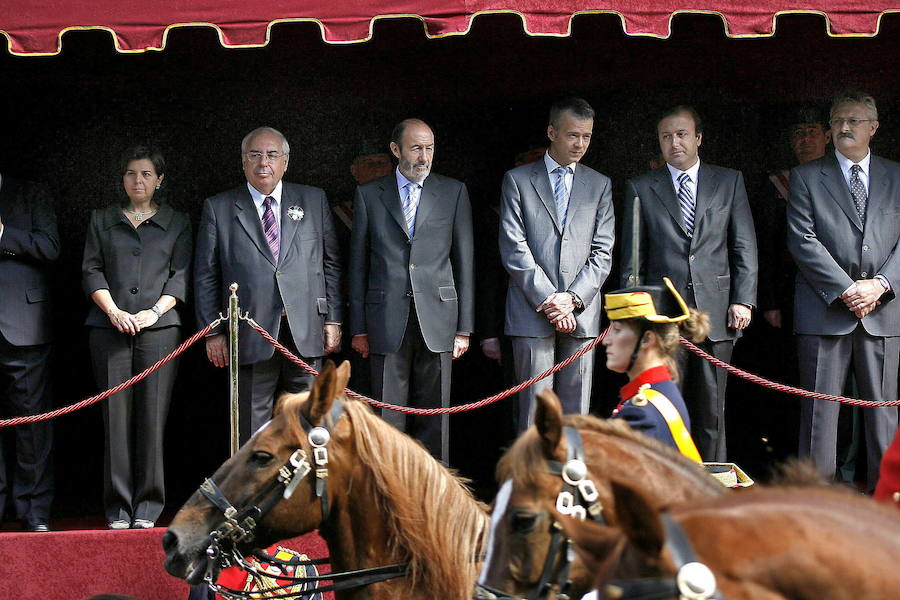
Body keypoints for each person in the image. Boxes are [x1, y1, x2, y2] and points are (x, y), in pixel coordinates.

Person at [620, 105, 758, 462]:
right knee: (664, 405)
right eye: (666, 136)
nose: (674, 142)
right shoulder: (640, 187)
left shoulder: (728, 181)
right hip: (663, 317)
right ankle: (667, 482)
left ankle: (712, 486)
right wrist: (635, 317)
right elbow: (632, 259)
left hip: (716, 310)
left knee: (712, 409)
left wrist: (743, 299)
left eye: (681, 134)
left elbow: (743, 244)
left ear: (698, 139)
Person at [194, 127, 342, 444]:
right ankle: (252, 493)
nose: (264, 163)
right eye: (255, 155)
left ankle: (303, 492)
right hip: (249, 330)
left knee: (307, 423)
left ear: (285, 162)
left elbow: (330, 262)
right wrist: (212, 331)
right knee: (250, 426)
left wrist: (333, 318)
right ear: (243, 161)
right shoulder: (219, 207)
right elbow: (206, 274)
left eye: (272, 155)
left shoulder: (313, 200)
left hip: (305, 329)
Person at [787, 91, 900, 490]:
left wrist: (881, 285)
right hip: (825, 311)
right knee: (820, 415)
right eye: (837, 122)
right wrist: (848, 289)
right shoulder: (804, 176)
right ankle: (817, 506)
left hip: (883, 312)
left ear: (874, 127)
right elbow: (802, 240)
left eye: (854, 121)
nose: (845, 128)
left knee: (882, 415)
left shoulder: (896, 175)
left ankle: (885, 502)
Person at [348, 118, 474, 463]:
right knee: (388, 418)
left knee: (436, 417)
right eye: (416, 148)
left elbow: (464, 261)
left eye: (429, 148)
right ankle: (391, 489)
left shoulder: (453, 191)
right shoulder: (369, 194)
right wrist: (358, 327)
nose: (424, 156)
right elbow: (358, 265)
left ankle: (436, 494)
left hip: (439, 318)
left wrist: (464, 328)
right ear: (396, 149)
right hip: (385, 319)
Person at [82, 145, 191, 529]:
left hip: (159, 328)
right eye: (131, 173)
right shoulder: (102, 219)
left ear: (160, 180)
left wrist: (153, 312)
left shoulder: (178, 221)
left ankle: (147, 507)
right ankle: (117, 508)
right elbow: (91, 270)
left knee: (152, 417)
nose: (138, 181)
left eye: (146, 174)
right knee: (115, 419)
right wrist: (113, 311)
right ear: (122, 179)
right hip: (109, 329)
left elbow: (180, 275)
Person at [499, 97, 615, 432]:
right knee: (535, 416)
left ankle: (571, 482)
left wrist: (572, 299)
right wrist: (551, 300)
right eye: (572, 135)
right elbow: (513, 246)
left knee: (575, 417)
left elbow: (603, 251)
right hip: (532, 311)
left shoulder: (599, 184)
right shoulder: (517, 180)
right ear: (552, 132)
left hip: (581, 313)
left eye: (587, 137)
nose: (580, 144)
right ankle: (533, 484)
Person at [0, 173, 59, 532]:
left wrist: (4, 235)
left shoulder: (30, 190)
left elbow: (50, 247)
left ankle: (34, 509)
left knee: (32, 424)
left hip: (24, 324)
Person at [603, 277, 706, 459]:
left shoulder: (641, 414)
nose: (606, 340)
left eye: (617, 330)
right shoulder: (659, 392)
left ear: (647, 339)